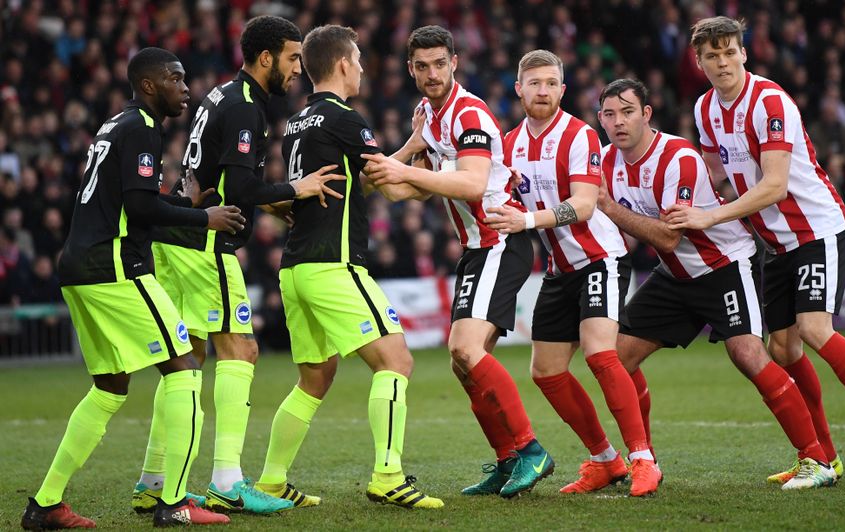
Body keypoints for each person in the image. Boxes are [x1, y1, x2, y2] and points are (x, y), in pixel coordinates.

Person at [667, 16, 845, 481]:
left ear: (744, 52)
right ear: (698, 63)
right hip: (776, 244)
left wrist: (710, 216)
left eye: (728, 52)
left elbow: (776, 186)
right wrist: (681, 199)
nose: (722, 62)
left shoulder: (768, 101)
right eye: (711, 55)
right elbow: (711, 169)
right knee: (782, 350)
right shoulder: (704, 110)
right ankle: (824, 457)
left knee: (815, 330)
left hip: (817, 229)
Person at [21, 47, 243, 529]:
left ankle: (45, 505)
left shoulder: (115, 125)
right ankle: (176, 502)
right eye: (176, 79)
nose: (186, 88)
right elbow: (139, 212)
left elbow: (131, 200)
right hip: (115, 265)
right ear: (149, 85)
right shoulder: (143, 127)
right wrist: (203, 218)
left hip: (79, 266)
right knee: (184, 368)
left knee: (110, 386)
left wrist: (181, 206)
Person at [134, 16, 343, 515]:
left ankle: (152, 478)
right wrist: (298, 188)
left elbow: (223, 179)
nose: (299, 69)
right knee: (242, 349)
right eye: (293, 58)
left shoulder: (220, 96)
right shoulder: (248, 108)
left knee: (187, 361)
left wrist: (268, 203)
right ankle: (227, 479)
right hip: (206, 243)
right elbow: (238, 191)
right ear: (266, 58)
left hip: (176, 241)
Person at [596, 78, 838, 493]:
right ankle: (644, 460)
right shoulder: (604, 162)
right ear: (600, 119)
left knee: (747, 353)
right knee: (617, 359)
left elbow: (669, 236)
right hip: (675, 276)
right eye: (609, 114)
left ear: (646, 114)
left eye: (628, 111)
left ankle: (816, 458)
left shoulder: (677, 157)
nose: (619, 122)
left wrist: (606, 205)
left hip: (724, 264)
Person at [254, 24, 443, 510]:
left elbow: (367, 176)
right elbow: (393, 185)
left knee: (314, 378)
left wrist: (410, 148)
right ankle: (389, 475)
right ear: (342, 64)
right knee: (396, 361)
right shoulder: (344, 117)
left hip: (295, 268)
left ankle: (272, 481)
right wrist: (447, 181)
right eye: (357, 60)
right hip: (333, 264)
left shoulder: (299, 121)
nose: (361, 68)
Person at [361, 25, 553, 498]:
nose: (431, 74)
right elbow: (402, 180)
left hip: (500, 240)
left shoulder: (470, 115)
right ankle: (508, 461)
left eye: (439, 64)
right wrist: (369, 169)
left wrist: (400, 171)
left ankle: (531, 451)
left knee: (467, 349)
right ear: (410, 69)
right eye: (422, 66)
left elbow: (470, 184)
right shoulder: (427, 115)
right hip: (475, 247)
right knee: (461, 362)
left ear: (454, 63)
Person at [483, 50, 640, 494]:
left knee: (599, 353)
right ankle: (605, 460)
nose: (543, 91)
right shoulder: (508, 144)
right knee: (546, 371)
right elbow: (494, 196)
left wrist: (526, 221)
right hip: (560, 266)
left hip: (599, 257)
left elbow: (586, 205)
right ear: (519, 89)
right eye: (534, 83)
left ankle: (642, 458)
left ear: (562, 90)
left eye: (551, 83)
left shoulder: (579, 135)